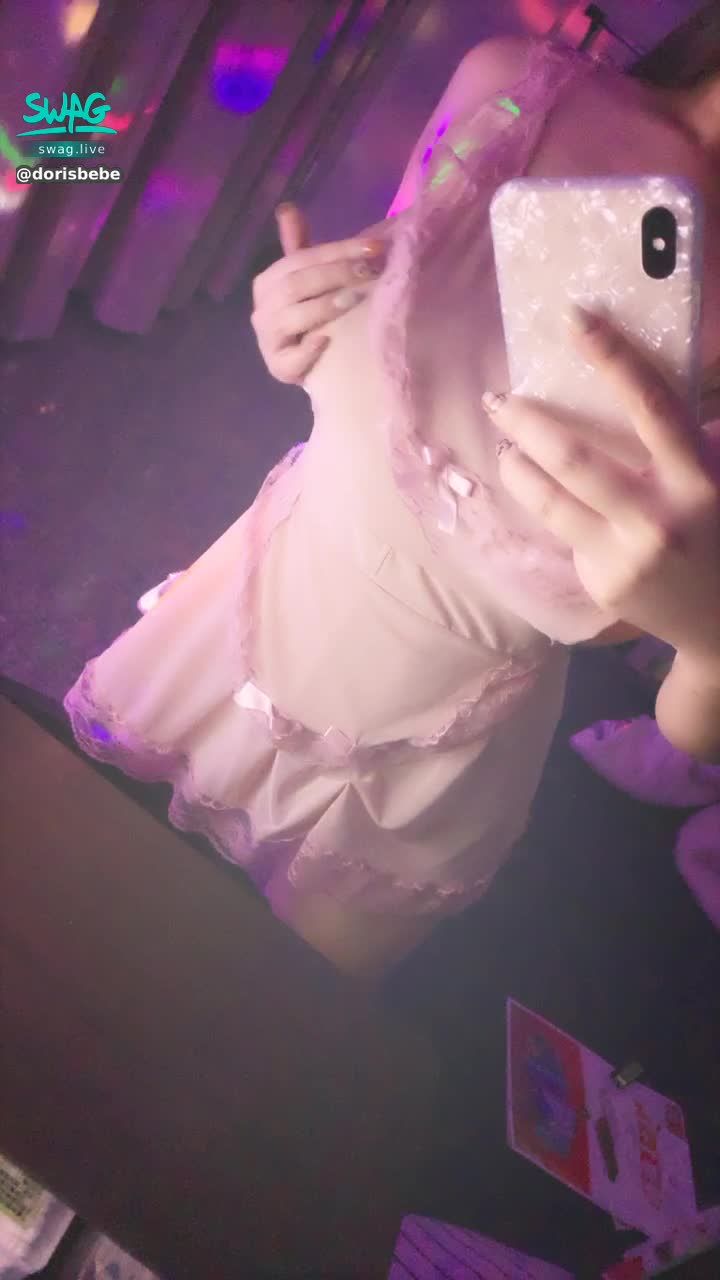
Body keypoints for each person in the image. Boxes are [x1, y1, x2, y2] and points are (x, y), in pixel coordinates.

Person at [65, 7, 720, 979]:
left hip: (429, 765)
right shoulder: (512, 91)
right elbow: (372, 313)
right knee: (60, 905)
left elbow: (694, 726)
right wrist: (299, 321)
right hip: (253, 608)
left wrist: (711, 632)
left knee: (256, 1027)